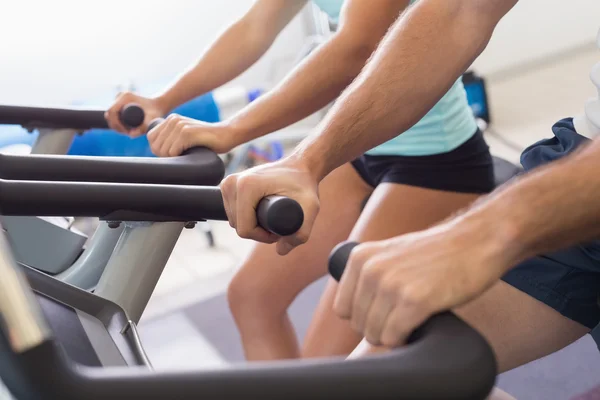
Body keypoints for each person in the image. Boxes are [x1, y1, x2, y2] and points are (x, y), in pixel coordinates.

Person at [218, 0, 600, 387]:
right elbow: (460, 10)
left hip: (444, 163)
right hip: (581, 156)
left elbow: (358, 42)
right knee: (361, 383)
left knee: (336, 369)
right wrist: (305, 161)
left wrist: (485, 233)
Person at [106, 0, 497, 362]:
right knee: (252, 298)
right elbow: (255, 28)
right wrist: (164, 100)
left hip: (438, 163)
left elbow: (357, 46)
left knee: (323, 369)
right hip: (362, 148)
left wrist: (231, 130)